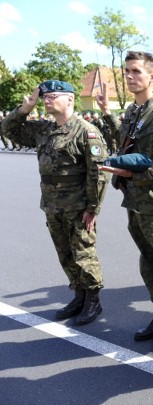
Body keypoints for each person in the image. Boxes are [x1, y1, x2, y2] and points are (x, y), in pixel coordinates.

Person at [96, 51, 153, 352]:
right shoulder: (133, 113)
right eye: (127, 72)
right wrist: (108, 114)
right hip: (135, 202)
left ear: (152, 77)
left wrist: (128, 173)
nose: (130, 76)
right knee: (148, 263)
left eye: (136, 71)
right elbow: (123, 146)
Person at [2, 80, 109, 324]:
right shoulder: (43, 129)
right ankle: (79, 295)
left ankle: (93, 300)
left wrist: (93, 208)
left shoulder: (86, 131)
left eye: (52, 96)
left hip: (78, 206)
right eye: (44, 97)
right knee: (65, 254)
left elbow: (98, 173)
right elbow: (7, 131)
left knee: (84, 253)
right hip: (52, 205)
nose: (46, 100)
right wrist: (24, 109)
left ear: (70, 99)